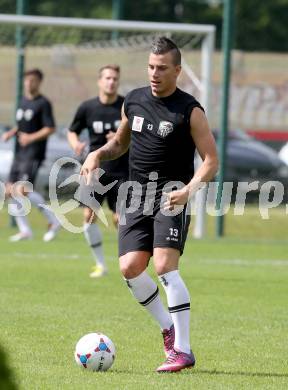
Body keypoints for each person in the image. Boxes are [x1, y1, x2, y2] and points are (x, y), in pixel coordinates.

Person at [80, 38, 218, 372]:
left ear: (177, 71)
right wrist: (98, 152)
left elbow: (211, 161)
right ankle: (168, 329)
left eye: (162, 68)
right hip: (134, 195)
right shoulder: (134, 101)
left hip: (171, 195)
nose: (154, 74)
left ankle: (182, 350)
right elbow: (119, 143)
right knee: (129, 268)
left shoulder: (190, 110)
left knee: (164, 266)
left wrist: (188, 191)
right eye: (151, 67)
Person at [67, 64, 128, 278]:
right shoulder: (87, 107)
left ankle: (128, 265)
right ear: (99, 81)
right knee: (88, 215)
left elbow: (137, 135)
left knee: (121, 219)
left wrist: (120, 140)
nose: (111, 82)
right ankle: (101, 265)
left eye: (115, 79)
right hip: (94, 171)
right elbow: (72, 130)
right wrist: (75, 143)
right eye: (108, 78)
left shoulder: (126, 106)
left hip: (122, 172)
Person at [2, 68, 61, 242]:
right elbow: (21, 125)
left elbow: (50, 128)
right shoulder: (22, 101)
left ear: (39, 82)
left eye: (33, 80)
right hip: (19, 154)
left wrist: (30, 138)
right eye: (27, 80)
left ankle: (54, 219)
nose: (29, 83)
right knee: (9, 190)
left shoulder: (43, 103)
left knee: (21, 190)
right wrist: (12, 133)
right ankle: (25, 230)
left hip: (34, 154)